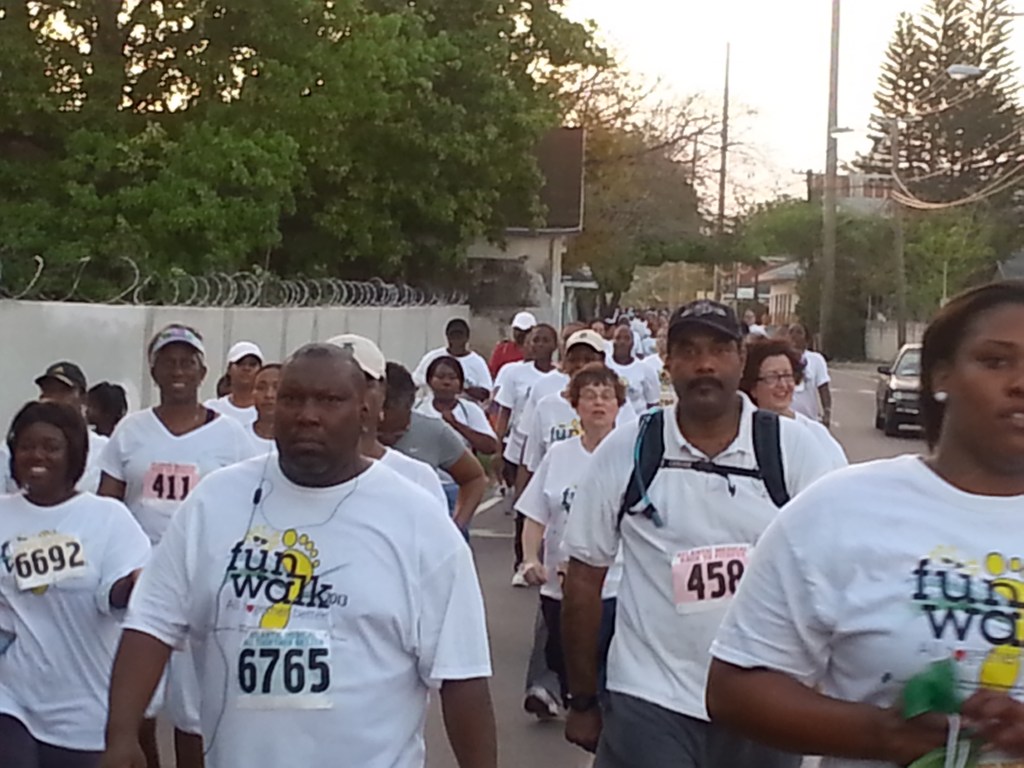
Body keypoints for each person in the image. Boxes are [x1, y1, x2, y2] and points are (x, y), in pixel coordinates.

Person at [102, 343, 497, 768]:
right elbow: (151, 622)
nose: (308, 415)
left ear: (364, 412)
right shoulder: (213, 502)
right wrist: (121, 735)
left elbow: (463, 678)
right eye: (292, 399)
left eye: (329, 401)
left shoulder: (418, 520)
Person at [707, 281, 1024, 767]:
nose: (1020, 381)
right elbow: (735, 689)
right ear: (942, 376)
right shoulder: (841, 509)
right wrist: (880, 734)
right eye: (995, 361)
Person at [560, 299, 833, 768]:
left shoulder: (794, 451)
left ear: (740, 360)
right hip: (649, 698)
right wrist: (583, 699)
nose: (704, 364)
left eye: (719, 349)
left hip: (763, 700)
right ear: (668, 363)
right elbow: (584, 578)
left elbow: (834, 573)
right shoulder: (628, 451)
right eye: (688, 350)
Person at [98, 324, 251, 768]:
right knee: (137, 704)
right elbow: (107, 504)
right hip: (139, 580)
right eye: (169, 361)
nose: (178, 370)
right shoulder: (131, 432)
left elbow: (247, 507)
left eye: (187, 362)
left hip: (202, 582)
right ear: (154, 370)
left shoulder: (231, 438)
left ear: (203, 371)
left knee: (192, 713)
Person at [0, 401, 150, 768]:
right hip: (12, 695)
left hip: (85, 704)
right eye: (26, 446)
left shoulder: (107, 517)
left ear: (74, 454)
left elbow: (115, 594)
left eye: (51, 447)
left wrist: (130, 586)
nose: (37, 455)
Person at [516, 364, 625, 719]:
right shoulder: (559, 455)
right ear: (575, 405)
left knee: (613, 681)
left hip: (617, 590)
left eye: (606, 396)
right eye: (589, 396)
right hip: (561, 589)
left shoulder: (633, 454)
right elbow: (536, 515)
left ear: (618, 405)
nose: (598, 403)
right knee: (570, 669)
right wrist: (531, 559)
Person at [326, 334, 447, 511]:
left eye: (364, 382)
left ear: (382, 392)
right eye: (335, 383)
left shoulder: (417, 479)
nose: (350, 393)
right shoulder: (274, 475)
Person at [379, 363, 489, 536]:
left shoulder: (432, 430)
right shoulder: (344, 438)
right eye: (385, 432)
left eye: (403, 429)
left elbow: (475, 477)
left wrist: (456, 527)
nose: (407, 427)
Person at [492, 325, 560, 573]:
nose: (538, 345)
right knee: (525, 503)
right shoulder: (514, 373)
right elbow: (505, 411)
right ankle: (523, 561)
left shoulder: (560, 380)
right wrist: (498, 447)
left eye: (545, 340)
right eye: (534, 340)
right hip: (519, 445)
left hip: (552, 449)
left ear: (555, 346)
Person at [739, 338, 847, 470]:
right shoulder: (739, 434)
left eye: (787, 376)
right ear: (753, 387)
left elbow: (838, 475)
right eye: (772, 377)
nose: (783, 385)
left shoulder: (815, 433)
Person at [33, 362, 110, 494]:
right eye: (49, 391)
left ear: (83, 398)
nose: (54, 399)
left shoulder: (104, 449)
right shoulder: (19, 448)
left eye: (63, 391)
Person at [412, 319, 493, 403]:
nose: (456, 339)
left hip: (464, 412)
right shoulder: (432, 357)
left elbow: (486, 393)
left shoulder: (477, 362)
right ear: (447, 336)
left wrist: (461, 388)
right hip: (433, 410)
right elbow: (414, 383)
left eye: (460, 335)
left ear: (467, 337)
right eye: (453, 335)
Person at [205, 341, 265, 425]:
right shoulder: (211, 408)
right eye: (240, 363)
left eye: (252, 364)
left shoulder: (268, 411)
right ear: (229, 369)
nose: (246, 368)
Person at [607, 325, 660, 414]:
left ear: (633, 343)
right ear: (613, 341)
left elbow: (653, 403)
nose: (622, 342)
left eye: (627, 338)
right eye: (618, 338)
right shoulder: (604, 365)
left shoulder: (645, 369)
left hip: (637, 421)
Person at [788, 323, 833, 426]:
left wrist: (827, 412)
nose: (794, 335)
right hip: (786, 419)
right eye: (791, 332)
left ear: (807, 339)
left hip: (808, 420)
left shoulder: (816, 360)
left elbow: (823, 388)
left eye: (799, 332)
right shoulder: (780, 358)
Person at [244, 364, 280, 457]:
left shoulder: (300, 440)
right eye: (261, 388)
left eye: (276, 388)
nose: (269, 395)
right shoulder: (240, 436)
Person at [489, 311, 536, 378]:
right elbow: (492, 373)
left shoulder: (539, 351)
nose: (521, 334)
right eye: (518, 329)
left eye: (526, 331)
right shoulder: (502, 349)